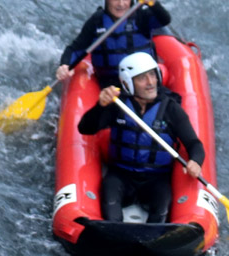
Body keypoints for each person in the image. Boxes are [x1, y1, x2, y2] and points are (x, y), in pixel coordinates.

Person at [77, 51, 205, 225]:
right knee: (110, 202)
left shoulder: (171, 109)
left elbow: (194, 144)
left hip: (156, 179)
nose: (150, 82)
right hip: (121, 175)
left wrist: (196, 161)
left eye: (152, 74)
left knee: (161, 211)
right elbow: (85, 128)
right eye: (142, 78)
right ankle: (115, 236)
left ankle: (155, 243)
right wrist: (100, 106)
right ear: (128, 83)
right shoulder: (118, 104)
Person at [56, 0, 171, 89]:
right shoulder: (97, 21)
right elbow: (75, 49)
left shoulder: (141, 16)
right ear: (106, 0)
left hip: (144, 81)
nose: (121, 4)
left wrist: (154, 3)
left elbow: (165, 20)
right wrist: (65, 65)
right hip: (112, 85)